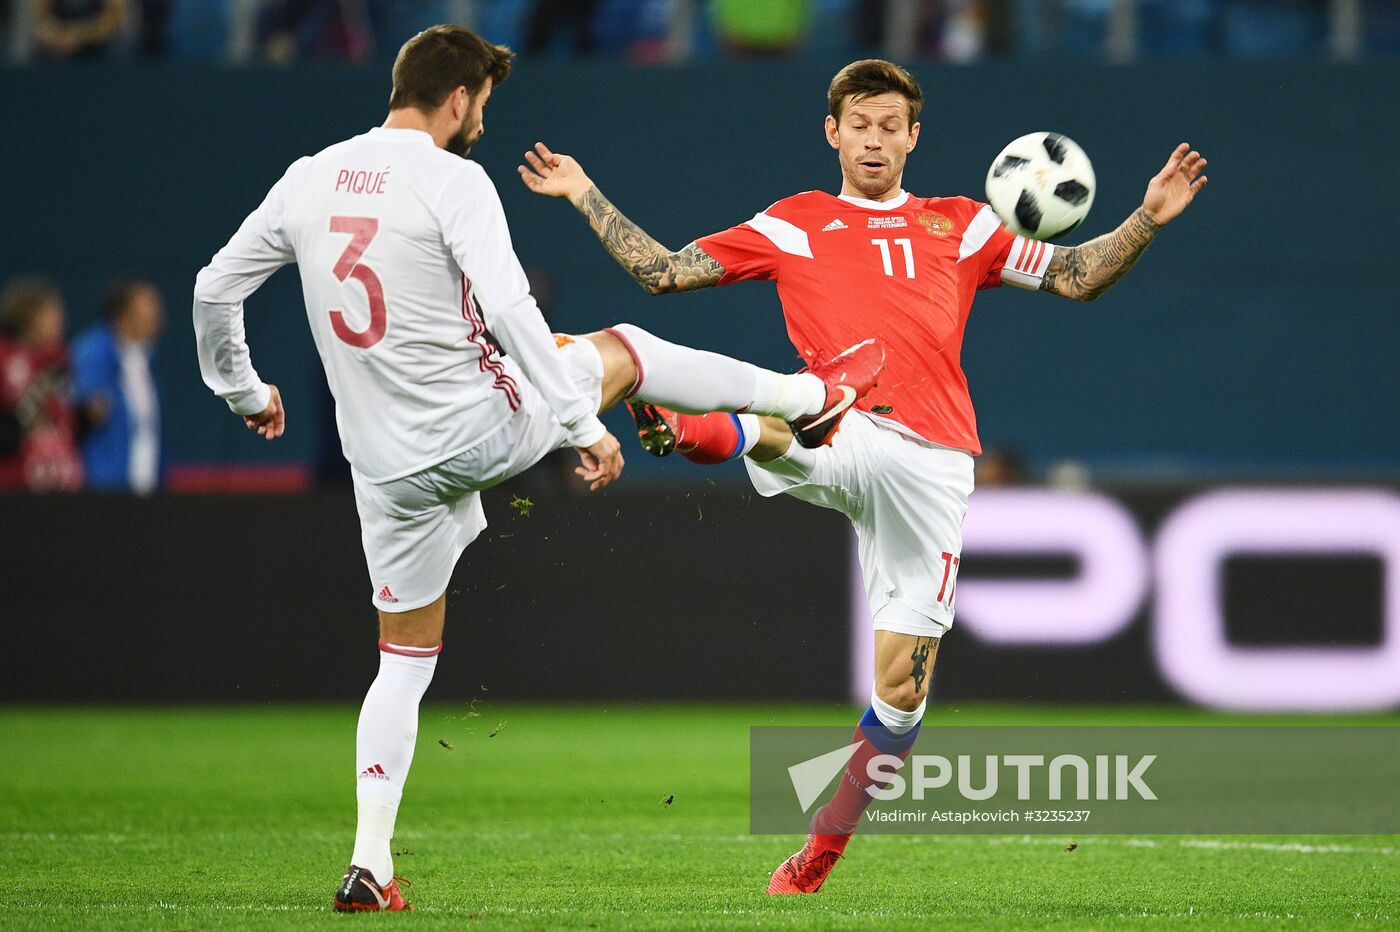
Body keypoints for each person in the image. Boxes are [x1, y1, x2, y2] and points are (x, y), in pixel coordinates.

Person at [191, 25, 882, 913]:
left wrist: (244, 392)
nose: (482, 119)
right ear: (459, 100)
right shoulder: (453, 178)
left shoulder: (309, 176)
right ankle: (806, 395)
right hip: (477, 430)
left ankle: (372, 863)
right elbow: (509, 304)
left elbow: (215, 287)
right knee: (625, 350)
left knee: (402, 659)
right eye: (483, 103)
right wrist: (573, 426)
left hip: (384, 469)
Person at [519, 57, 1207, 893]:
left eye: (891, 127)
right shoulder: (795, 223)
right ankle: (700, 417)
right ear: (832, 132)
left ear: (914, 138)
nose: (875, 140)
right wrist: (585, 190)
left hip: (936, 466)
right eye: (861, 125)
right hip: (844, 424)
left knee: (901, 701)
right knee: (793, 414)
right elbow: (664, 271)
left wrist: (1147, 217)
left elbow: (1075, 275)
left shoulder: (964, 224)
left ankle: (816, 859)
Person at [72, 279, 164, 494]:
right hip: (105, 492)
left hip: (145, 488)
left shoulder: (145, 359)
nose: (158, 315)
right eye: (149, 306)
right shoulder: (92, 353)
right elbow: (86, 411)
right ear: (123, 315)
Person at [0, 277, 82, 491]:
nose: (59, 320)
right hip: (14, 486)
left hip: (60, 484)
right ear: (28, 318)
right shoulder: (5, 358)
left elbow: (68, 422)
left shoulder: (61, 362)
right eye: (51, 314)